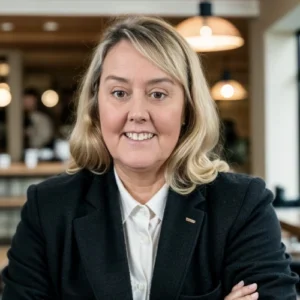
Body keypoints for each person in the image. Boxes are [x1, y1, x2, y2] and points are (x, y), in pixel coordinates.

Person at [1, 16, 298, 300]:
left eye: (158, 94)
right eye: (119, 92)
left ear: (188, 108)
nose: (138, 113)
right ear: (95, 107)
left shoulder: (242, 206)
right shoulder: (49, 209)